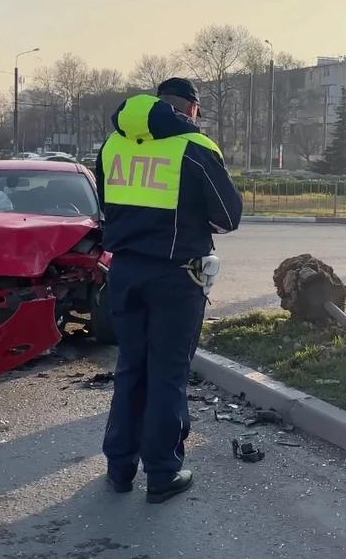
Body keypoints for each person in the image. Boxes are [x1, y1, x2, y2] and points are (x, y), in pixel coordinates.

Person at [95, 77, 243, 504]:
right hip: (177, 277)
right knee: (167, 373)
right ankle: (162, 473)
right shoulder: (194, 147)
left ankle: (119, 469)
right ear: (191, 108)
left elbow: (108, 205)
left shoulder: (113, 146)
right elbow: (228, 218)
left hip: (123, 272)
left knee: (131, 368)